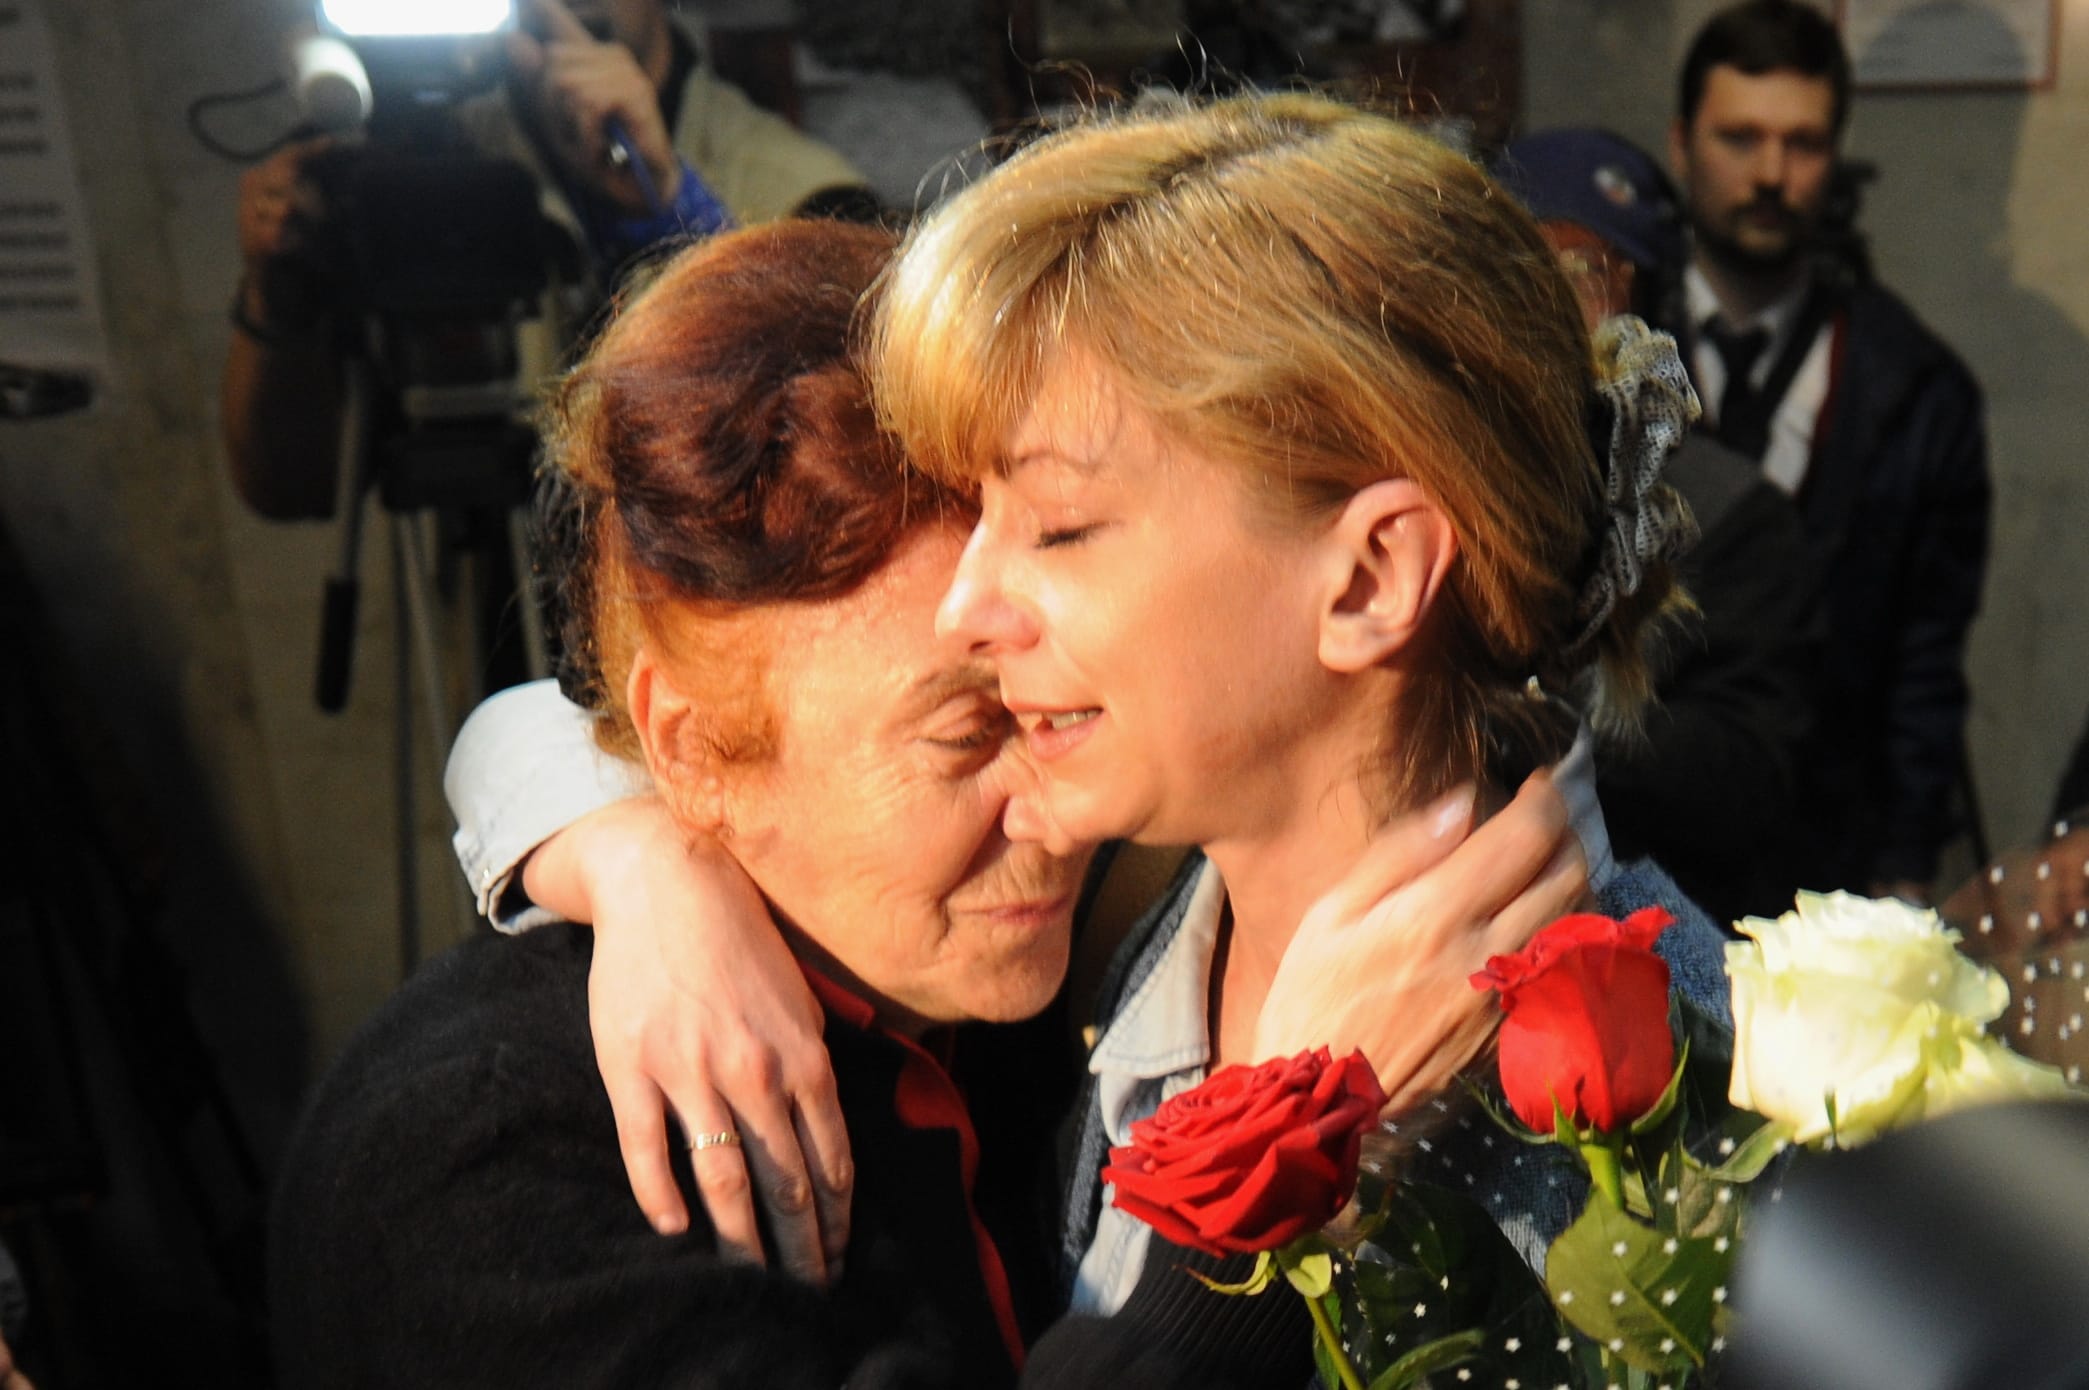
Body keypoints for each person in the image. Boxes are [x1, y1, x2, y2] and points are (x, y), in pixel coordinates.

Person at [446, 95, 1736, 1375]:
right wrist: (635, 855)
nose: (968, 604)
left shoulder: (1672, 1091)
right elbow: (611, 727)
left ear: (1367, 578)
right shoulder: (1115, 927)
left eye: (1057, 526)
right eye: (983, 511)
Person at [223, 0, 870, 520]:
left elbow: (843, 472)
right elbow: (293, 489)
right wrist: (279, 299)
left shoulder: (802, 193)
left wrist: (669, 210)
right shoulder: (431, 166)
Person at [1668, 0, 1990, 903]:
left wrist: (1902, 873)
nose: (1770, 173)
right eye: (1740, 137)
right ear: (1681, 143)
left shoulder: (1916, 390)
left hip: (1825, 857)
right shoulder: (1604, 346)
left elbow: (1924, 668)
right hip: (1633, 837)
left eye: (1802, 143)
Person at [1496, 126, 1821, 926]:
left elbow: (1746, 773)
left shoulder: (1730, 511)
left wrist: (1533, 727)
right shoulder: (1432, 478)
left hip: (1652, 935)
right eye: (1527, 272)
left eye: (1591, 275)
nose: (1563, 310)